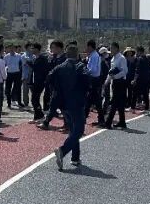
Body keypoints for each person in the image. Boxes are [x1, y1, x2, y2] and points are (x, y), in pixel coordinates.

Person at [52, 41, 90, 170]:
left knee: (73, 131)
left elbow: (50, 78)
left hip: (64, 104)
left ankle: (75, 158)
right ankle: (62, 150)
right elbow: (87, 80)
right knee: (78, 130)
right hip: (77, 103)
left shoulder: (60, 67)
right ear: (77, 54)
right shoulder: (80, 66)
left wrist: (58, 91)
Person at [39, 40, 66, 129]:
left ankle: (46, 123)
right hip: (54, 85)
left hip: (61, 85)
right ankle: (67, 124)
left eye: (53, 48)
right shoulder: (54, 57)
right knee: (61, 106)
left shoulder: (64, 58)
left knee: (54, 104)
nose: (52, 50)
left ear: (59, 48)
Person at [103, 44, 129, 129]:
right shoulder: (113, 59)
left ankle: (108, 122)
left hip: (120, 82)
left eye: (112, 48)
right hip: (115, 82)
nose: (111, 50)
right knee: (119, 103)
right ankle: (122, 122)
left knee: (114, 103)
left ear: (117, 49)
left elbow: (125, 71)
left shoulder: (121, 58)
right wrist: (107, 81)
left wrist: (115, 76)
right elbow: (111, 72)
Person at [84, 40, 104, 122]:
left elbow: (93, 69)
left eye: (87, 47)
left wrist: (85, 71)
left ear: (90, 47)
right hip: (93, 79)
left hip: (94, 79)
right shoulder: (93, 55)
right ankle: (100, 118)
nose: (87, 48)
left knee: (93, 100)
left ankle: (101, 119)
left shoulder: (94, 56)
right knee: (92, 99)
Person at [28, 43, 49, 120]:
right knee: (35, 99)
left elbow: (40, 69)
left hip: (40, 82)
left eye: (33, 48)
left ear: (37, 49)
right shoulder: (35, 58)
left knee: (34, 99)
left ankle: (41, 116)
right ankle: (37, 117)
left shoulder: (42, 58)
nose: (31, 50)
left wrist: (29, 63)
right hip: (34, 82)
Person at [4, 44, 23, 109]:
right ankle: (9, 103)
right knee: (8, 89)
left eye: (13, 48)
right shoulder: (6, 56)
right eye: (10, 48)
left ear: (15, 49)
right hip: (9, 74)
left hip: (17, 74)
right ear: (9, 49)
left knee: (18, 89)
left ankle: (19, 102)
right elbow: (4, 65)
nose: (11, 49)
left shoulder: (19, 56)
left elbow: (21, 65)